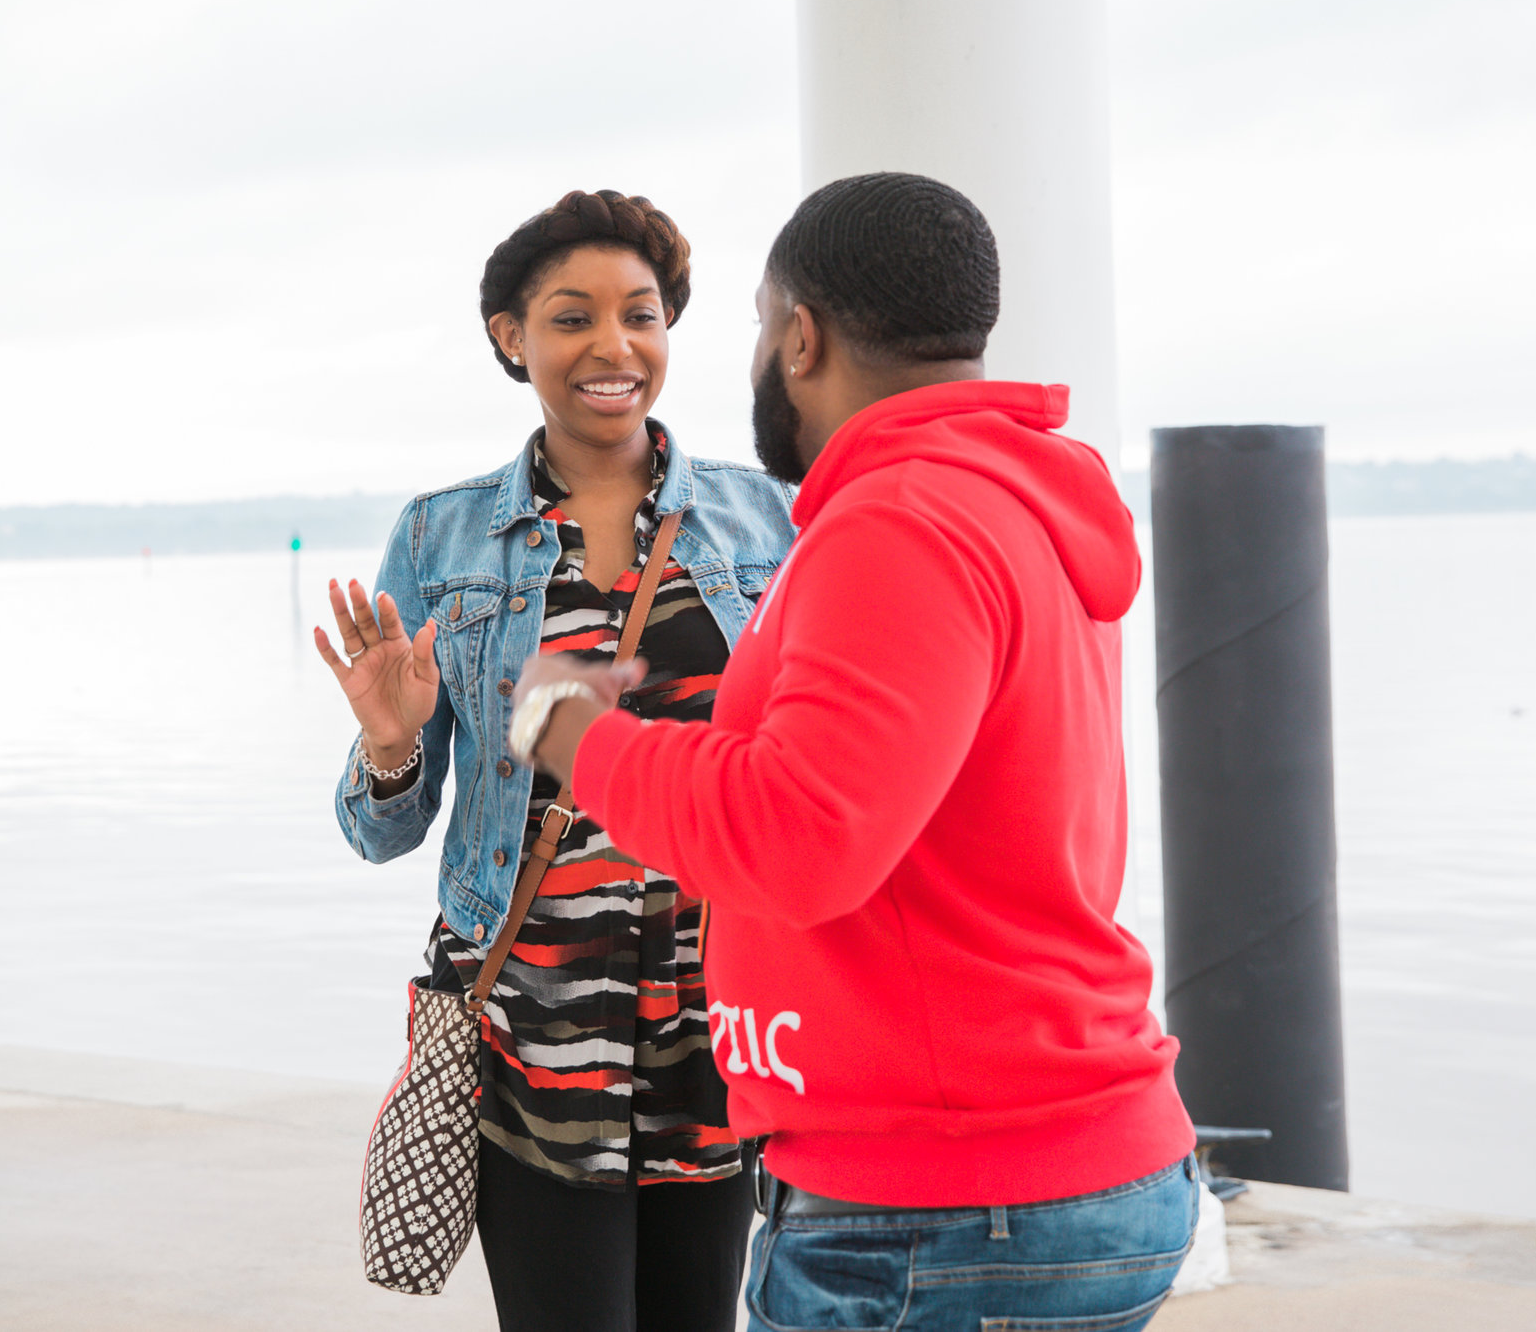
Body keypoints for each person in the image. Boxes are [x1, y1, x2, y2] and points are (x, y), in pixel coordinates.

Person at [509, 172, 1199, 1332]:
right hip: (1041, 1165)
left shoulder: (896, 520)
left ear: (800, 334)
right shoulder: (1009, 500)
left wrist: (572, 733)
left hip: (943, 1207)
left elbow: (800, 835)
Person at [319, 189, 796, 1332]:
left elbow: (800, 775)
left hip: (714, 1026)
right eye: (572, 317)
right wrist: (389, 743)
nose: (612, 347)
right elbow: (383, 826)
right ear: (510, 335)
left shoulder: (768, 520)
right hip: (530, 1037)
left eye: (641, 313)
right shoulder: (443, 536)